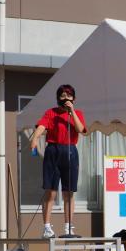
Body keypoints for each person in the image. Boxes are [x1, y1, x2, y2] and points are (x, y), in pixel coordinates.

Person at [28, 84, 87, 238]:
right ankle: (47, 227)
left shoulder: (77, 113)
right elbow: (42, 126)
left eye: (69, 96)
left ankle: (68, 227)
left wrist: (72, 111)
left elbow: (81, 129)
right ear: (57, 98)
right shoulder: (51, 112)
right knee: (51, 191)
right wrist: (35, 137)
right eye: (62, 96)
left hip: (70, 151)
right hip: (53, 150)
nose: (65, 98)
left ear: (74, 98)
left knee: (69, 192)